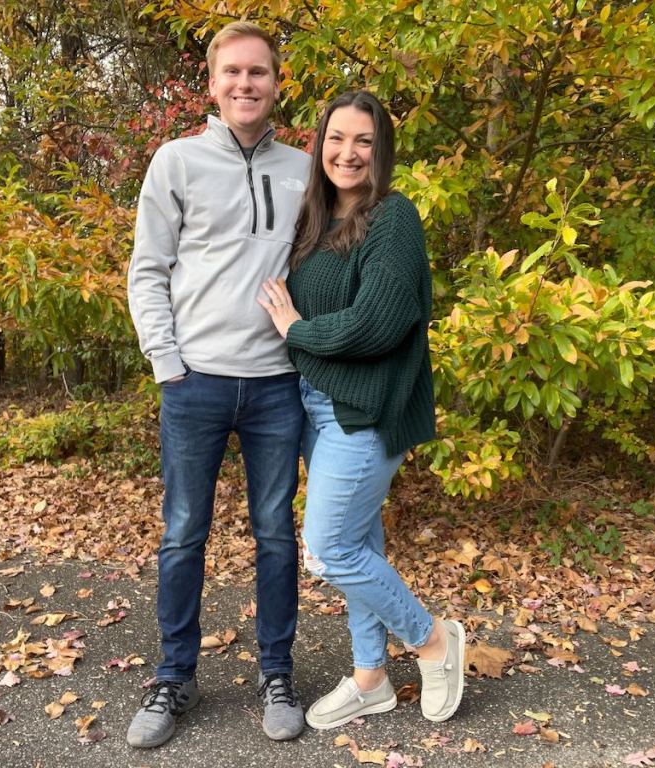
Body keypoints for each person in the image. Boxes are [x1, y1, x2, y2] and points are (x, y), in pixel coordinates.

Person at [125, 21, 311, 748]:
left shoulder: (303, 168)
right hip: (195, 381)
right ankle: (173, 676)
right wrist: (167, 362)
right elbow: (147, 269)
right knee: (182, 535)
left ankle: (277, 672)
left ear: (276, 82)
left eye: (258, 72)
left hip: (276, 386)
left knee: (274, 534)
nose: (245, 84)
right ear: (211, 83)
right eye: (231, 72)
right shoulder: (175, 162)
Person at [258, 91, 466, 730]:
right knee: (358, 539)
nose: (348, 153)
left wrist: (295, 330)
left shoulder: (393, 218)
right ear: (320, 145)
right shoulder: (315, 221)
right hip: (316, 405)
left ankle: (432, 640)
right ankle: (370, 676)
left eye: (364, 142)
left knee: (326, 549)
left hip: (367, 411)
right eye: (337, 139)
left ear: (383, 152)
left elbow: (377, 323)